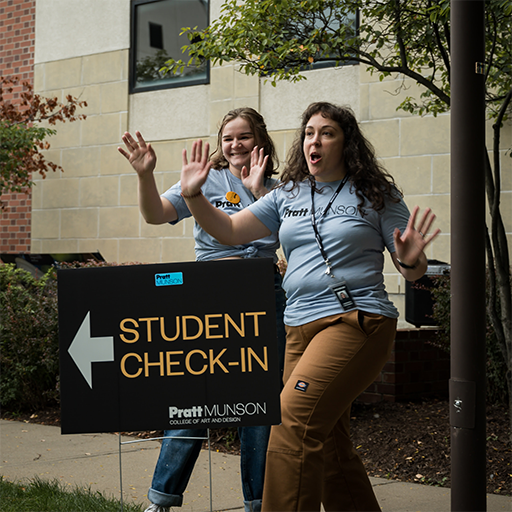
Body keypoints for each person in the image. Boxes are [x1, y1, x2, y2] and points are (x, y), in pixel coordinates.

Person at [176, 101, 441, 512]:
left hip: (355, 320)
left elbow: (410, 271)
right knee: (331, 444)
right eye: (309, 133)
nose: (314, 140)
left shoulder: (376, 195)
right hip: (298, 327)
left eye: (327, 132)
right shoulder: (287, 195)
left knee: (291, 424)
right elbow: (228, 230)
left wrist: (410, 257)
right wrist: (193, 195)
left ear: (346, 142)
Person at [118, 107, 286, 512]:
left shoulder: (282, 187)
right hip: (208, 297)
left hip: (262, 298)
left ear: (259, 139)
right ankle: (161, 499)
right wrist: (144, 174)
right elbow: (155, 214)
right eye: (228, 138)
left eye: (243, 136)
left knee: (259, 405)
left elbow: (294, 234)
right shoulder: (203, 179)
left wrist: (261, 191)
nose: (234, 145)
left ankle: (257, 503)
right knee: (195, 396)